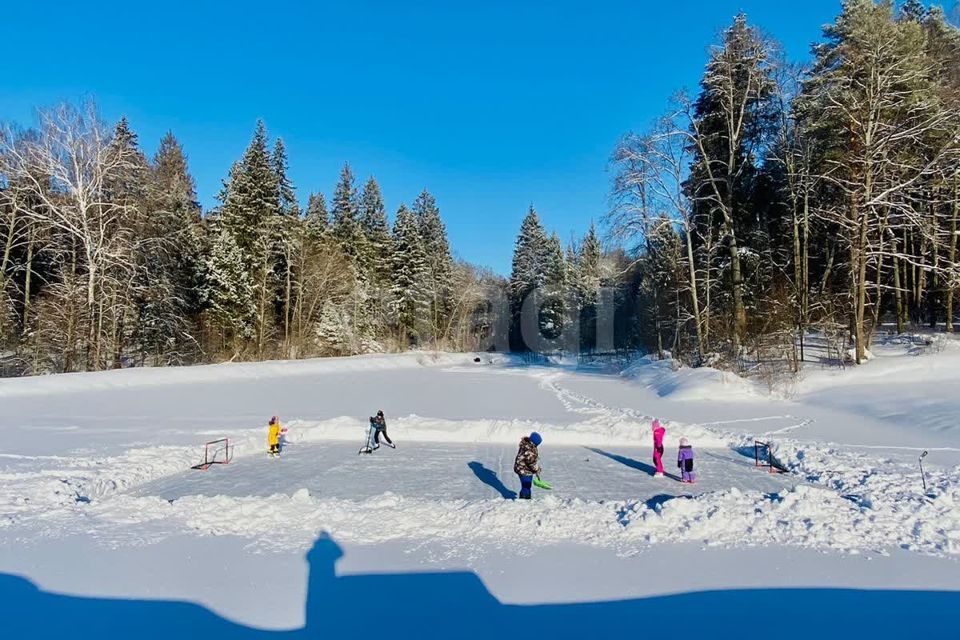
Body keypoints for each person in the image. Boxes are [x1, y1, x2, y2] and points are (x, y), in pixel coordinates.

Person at [513, 432, 542, 500]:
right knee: (526, 486)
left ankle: (526, 499)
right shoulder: (529, 449)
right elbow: (531, 462)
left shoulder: (527, 444)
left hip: (522, 468)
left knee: (527, 486)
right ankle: (524, 501)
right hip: (523, 470)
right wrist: (537, 469)